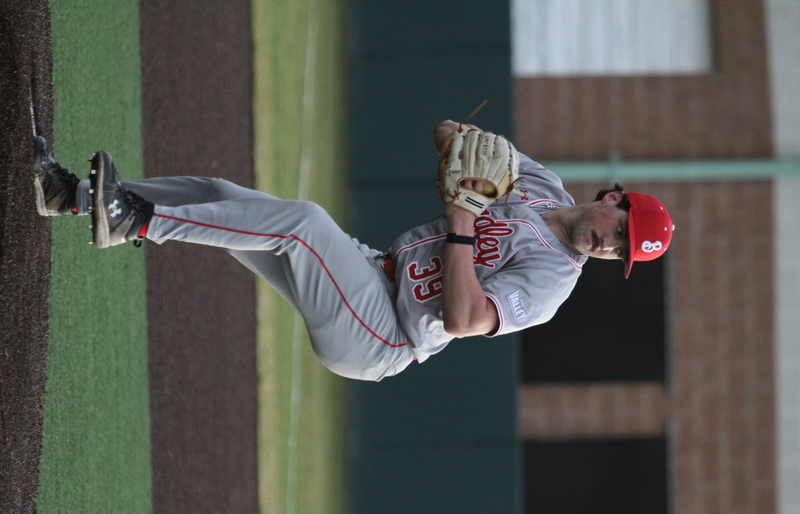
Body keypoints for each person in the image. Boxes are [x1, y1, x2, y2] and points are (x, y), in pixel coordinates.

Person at [32, 120, 673, 381]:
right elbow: (450, 132)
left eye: (622, 255)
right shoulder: (540, 185)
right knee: (218, 194)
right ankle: (75, 197)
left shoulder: (553, 282)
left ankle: (132, 221)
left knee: (304, 223)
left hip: (384, 335)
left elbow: (465, 321)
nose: (611, 245)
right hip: (372, 273)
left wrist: (461, 224)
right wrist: (461, 149)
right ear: (613, 198)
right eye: (621, 230)